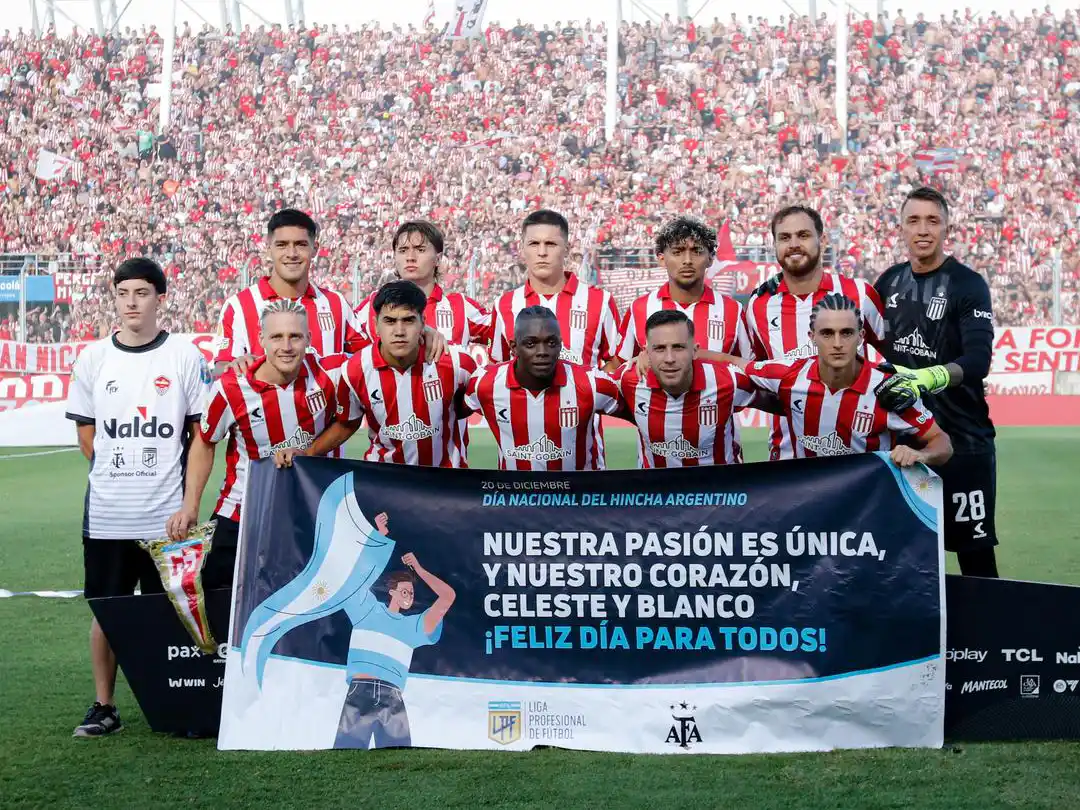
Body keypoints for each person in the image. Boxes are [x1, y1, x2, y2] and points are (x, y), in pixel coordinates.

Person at [64, 257, 212, 738]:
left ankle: (173, 702)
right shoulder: (92, 359)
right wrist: (117, 474)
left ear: (160, 299)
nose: (132, 302)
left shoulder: (184, 356)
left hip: (166, 518)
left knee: (168, 612)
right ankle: (104, 707)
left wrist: (189, 506)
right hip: (107, 515)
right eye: (124, 292)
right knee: (107, 611)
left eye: (142, 293)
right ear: (115, 297)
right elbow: (88, 436)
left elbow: (201, 438)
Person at [237, 478, 454, 749]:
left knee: (403, 758)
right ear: (391, 592)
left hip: (393, 697)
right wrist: (378, 538)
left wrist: (419, 570)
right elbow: (349, 578)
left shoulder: (415, 627)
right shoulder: (366, 609)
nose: (409, 596)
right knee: (345, 756)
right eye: (405, 590)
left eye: (412, 593)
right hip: (359, 692)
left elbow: (447, 597)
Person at [165, 299, 347, 584]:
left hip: (310, 516)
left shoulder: (331, 375)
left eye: (295, 336)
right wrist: (190, 507)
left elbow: (353, 412)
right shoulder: (231, 388)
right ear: (261, 339)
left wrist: (427, 335)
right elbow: (205, 441)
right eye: (276, 337)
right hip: (241, 516)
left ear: (309, 339)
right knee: (223, 612)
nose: (286, 346)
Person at [873, 186, 999, 577]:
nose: (923, 229)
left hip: (965, 443)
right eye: (913, 220)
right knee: (903, 562)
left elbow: (979, 360)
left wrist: (927, 378)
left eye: (932, 220)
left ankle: (986, 640)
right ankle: (918, 641)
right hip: (906, 449)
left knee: (975, 561)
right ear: (901, 229)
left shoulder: (968, 284)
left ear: (947, 227)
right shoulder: (888, 282)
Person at [728, 293, 953, 465]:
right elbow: (733, 364)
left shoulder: (888, 388)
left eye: (846, 333)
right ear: (812, 338)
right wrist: (693, 354)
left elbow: (941, 443)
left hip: (865, 513)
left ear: (861, 337)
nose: (837, 343)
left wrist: (920, 455)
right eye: (827, 333)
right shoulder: (790, 375)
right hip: (806, 509)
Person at [742, 205, 887, 460]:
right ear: (774, 245)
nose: (794, 244)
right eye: (785, 238)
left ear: (822, 240)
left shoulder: (859, 293)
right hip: (790, 460)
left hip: (862, 459)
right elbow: (760, 374)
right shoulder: (759, 306)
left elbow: (897, 359)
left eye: (803, 235)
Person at [289, 280, 477, 466]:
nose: (399, 331)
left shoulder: (457, 363)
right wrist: (307, 453)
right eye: (390, 321)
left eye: (409, 320)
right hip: (383, 483)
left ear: (423, 323)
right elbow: (348, 423)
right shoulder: (356, 369)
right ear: (376, 325)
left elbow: (473, 406)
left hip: (444, 482)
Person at [213, 209, 369, 375]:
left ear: (314, 249)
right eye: (282, 245)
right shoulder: (238, 306)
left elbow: (366, 359)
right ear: (268, 249)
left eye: (300, 244)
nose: (292, 254)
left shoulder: (335, 303)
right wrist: (235, 366)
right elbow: (220, 368)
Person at [466, 305, 622, 471]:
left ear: (560, 345)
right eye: (531, 343)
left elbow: (638, 411)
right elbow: (453, 412)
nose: (542, 352)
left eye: (551, 342)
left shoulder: (591, 383)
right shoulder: (484, 385)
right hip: (516, 496)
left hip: (577, 495)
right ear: (514, 347)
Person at [614, 310, 764, 468]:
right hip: (656, 490)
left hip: (720, 490)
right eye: (659, 348)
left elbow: (780, 398)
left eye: (678, 347)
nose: (669, 359)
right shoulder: (629, 380)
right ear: (646, 352)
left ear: (694, 351)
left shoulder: (728, 380)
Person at [613, 216, 751, 373]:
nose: (687, 260)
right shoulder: (639, 308)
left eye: (697, 251)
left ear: (710, 259)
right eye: (677, 252)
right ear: (662, 259)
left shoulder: (733, 310)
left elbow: (750, 369)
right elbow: (617, 367)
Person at [488, 209, 620, 369]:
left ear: (566, 248)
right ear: (522, 248)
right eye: (534, 244)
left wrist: (591, 390)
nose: (542, 252)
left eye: (550, 244)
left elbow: (617, 362)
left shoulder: (600, 301)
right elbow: (497, 368)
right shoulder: (504, 305)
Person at [353, 220, 490, 347]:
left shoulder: (461, 307)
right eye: (403, 250)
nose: (410, 257)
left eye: (420, 250)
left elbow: (504, 333)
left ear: (438, 258)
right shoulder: (373, 304)